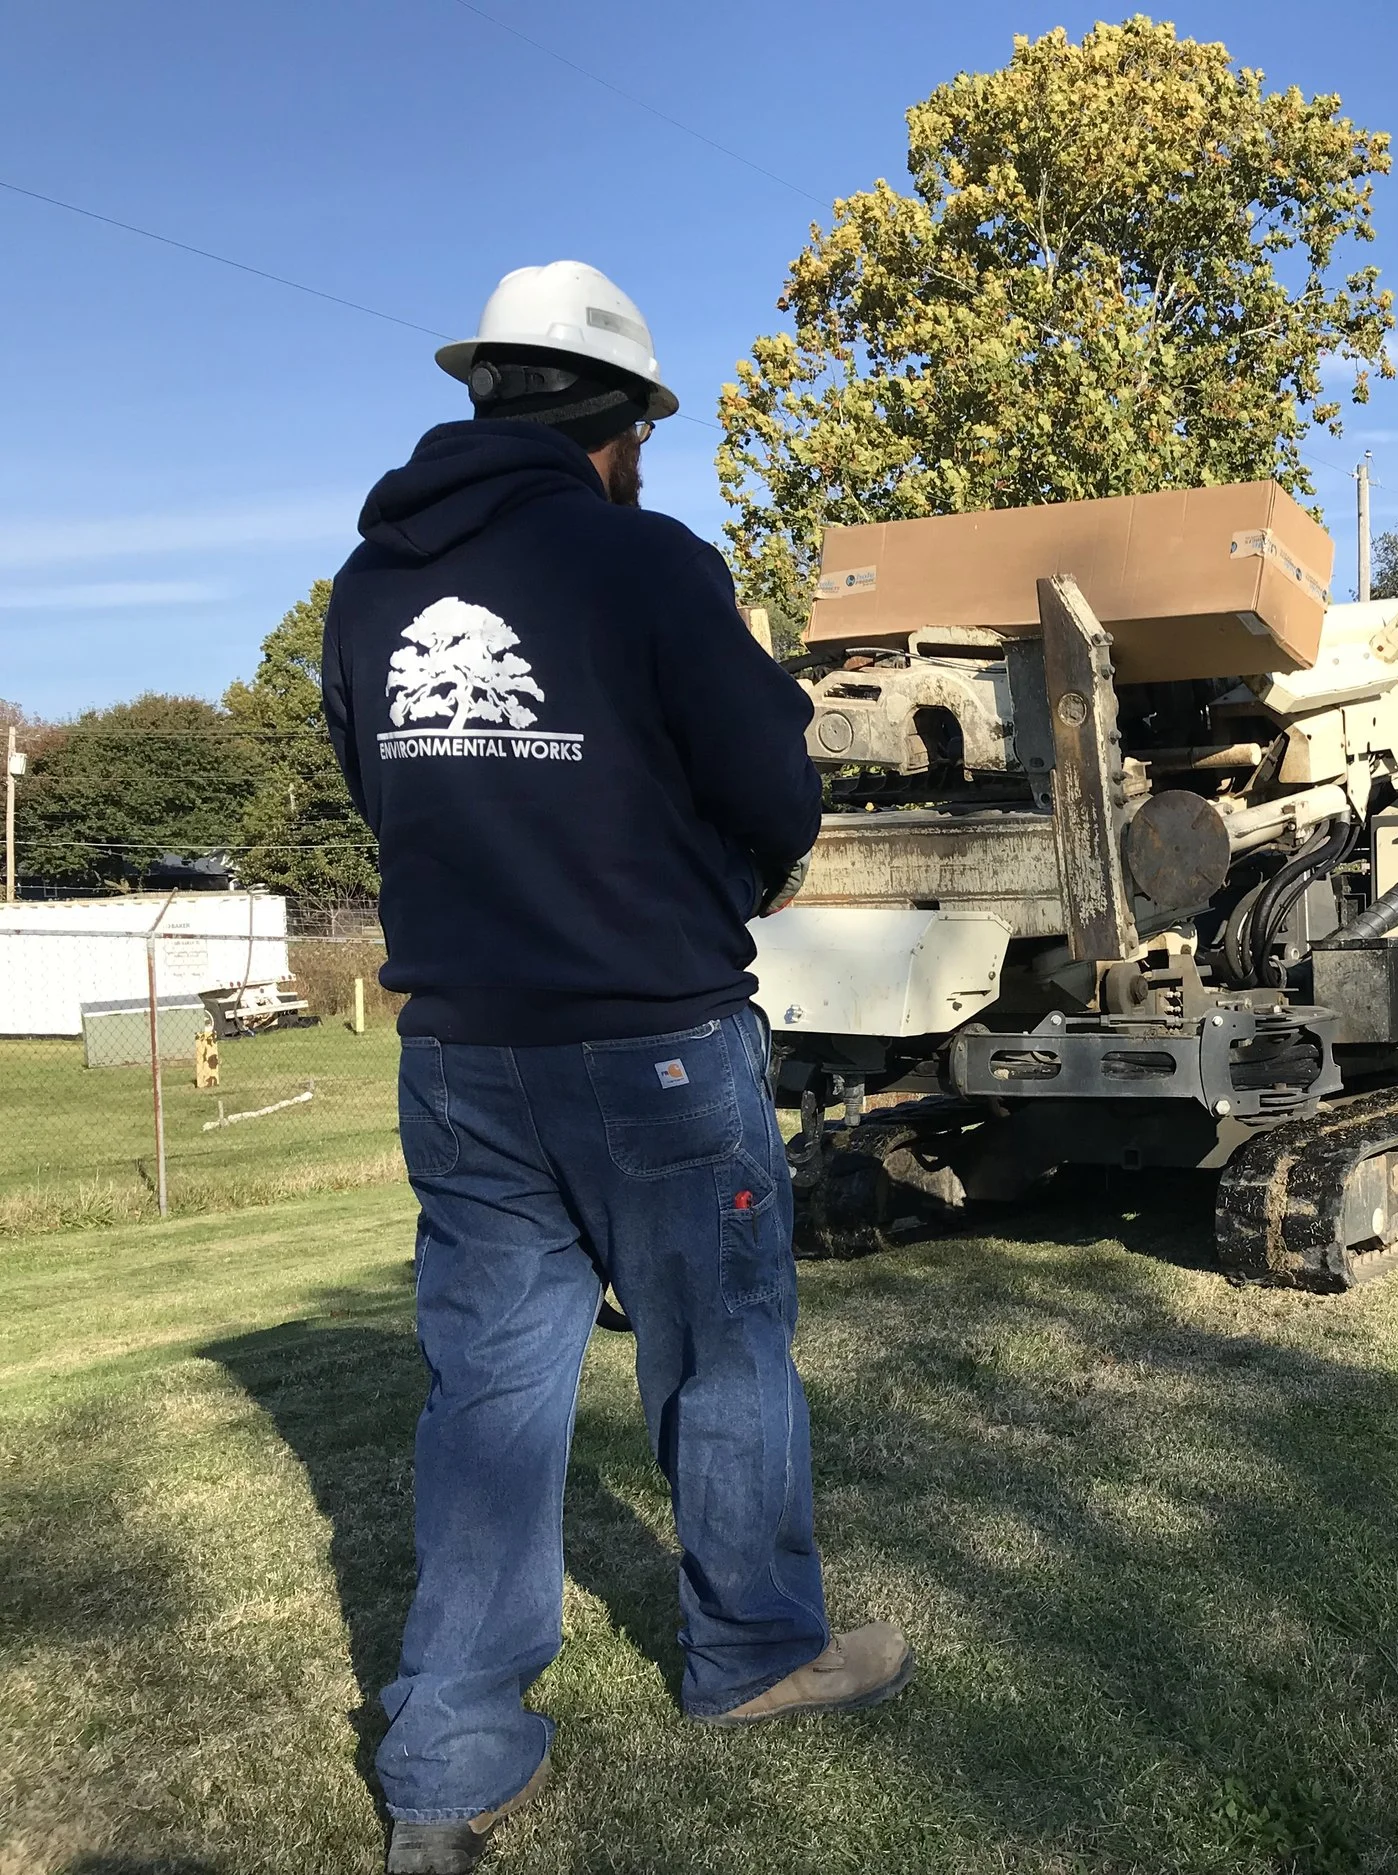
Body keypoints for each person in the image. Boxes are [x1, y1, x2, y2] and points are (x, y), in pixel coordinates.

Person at [323, 261, 910, 1875]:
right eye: (645, 426)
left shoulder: (367, 586)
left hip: (461, 1055)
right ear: (615, 421)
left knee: (488, 1391)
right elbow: (774, 787)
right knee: (722, 1356)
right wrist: (723, 872)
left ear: (486, 393)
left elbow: (380, 785)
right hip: (654, 1040)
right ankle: (755, 1651)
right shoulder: (648, 562)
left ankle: (449, 1761)